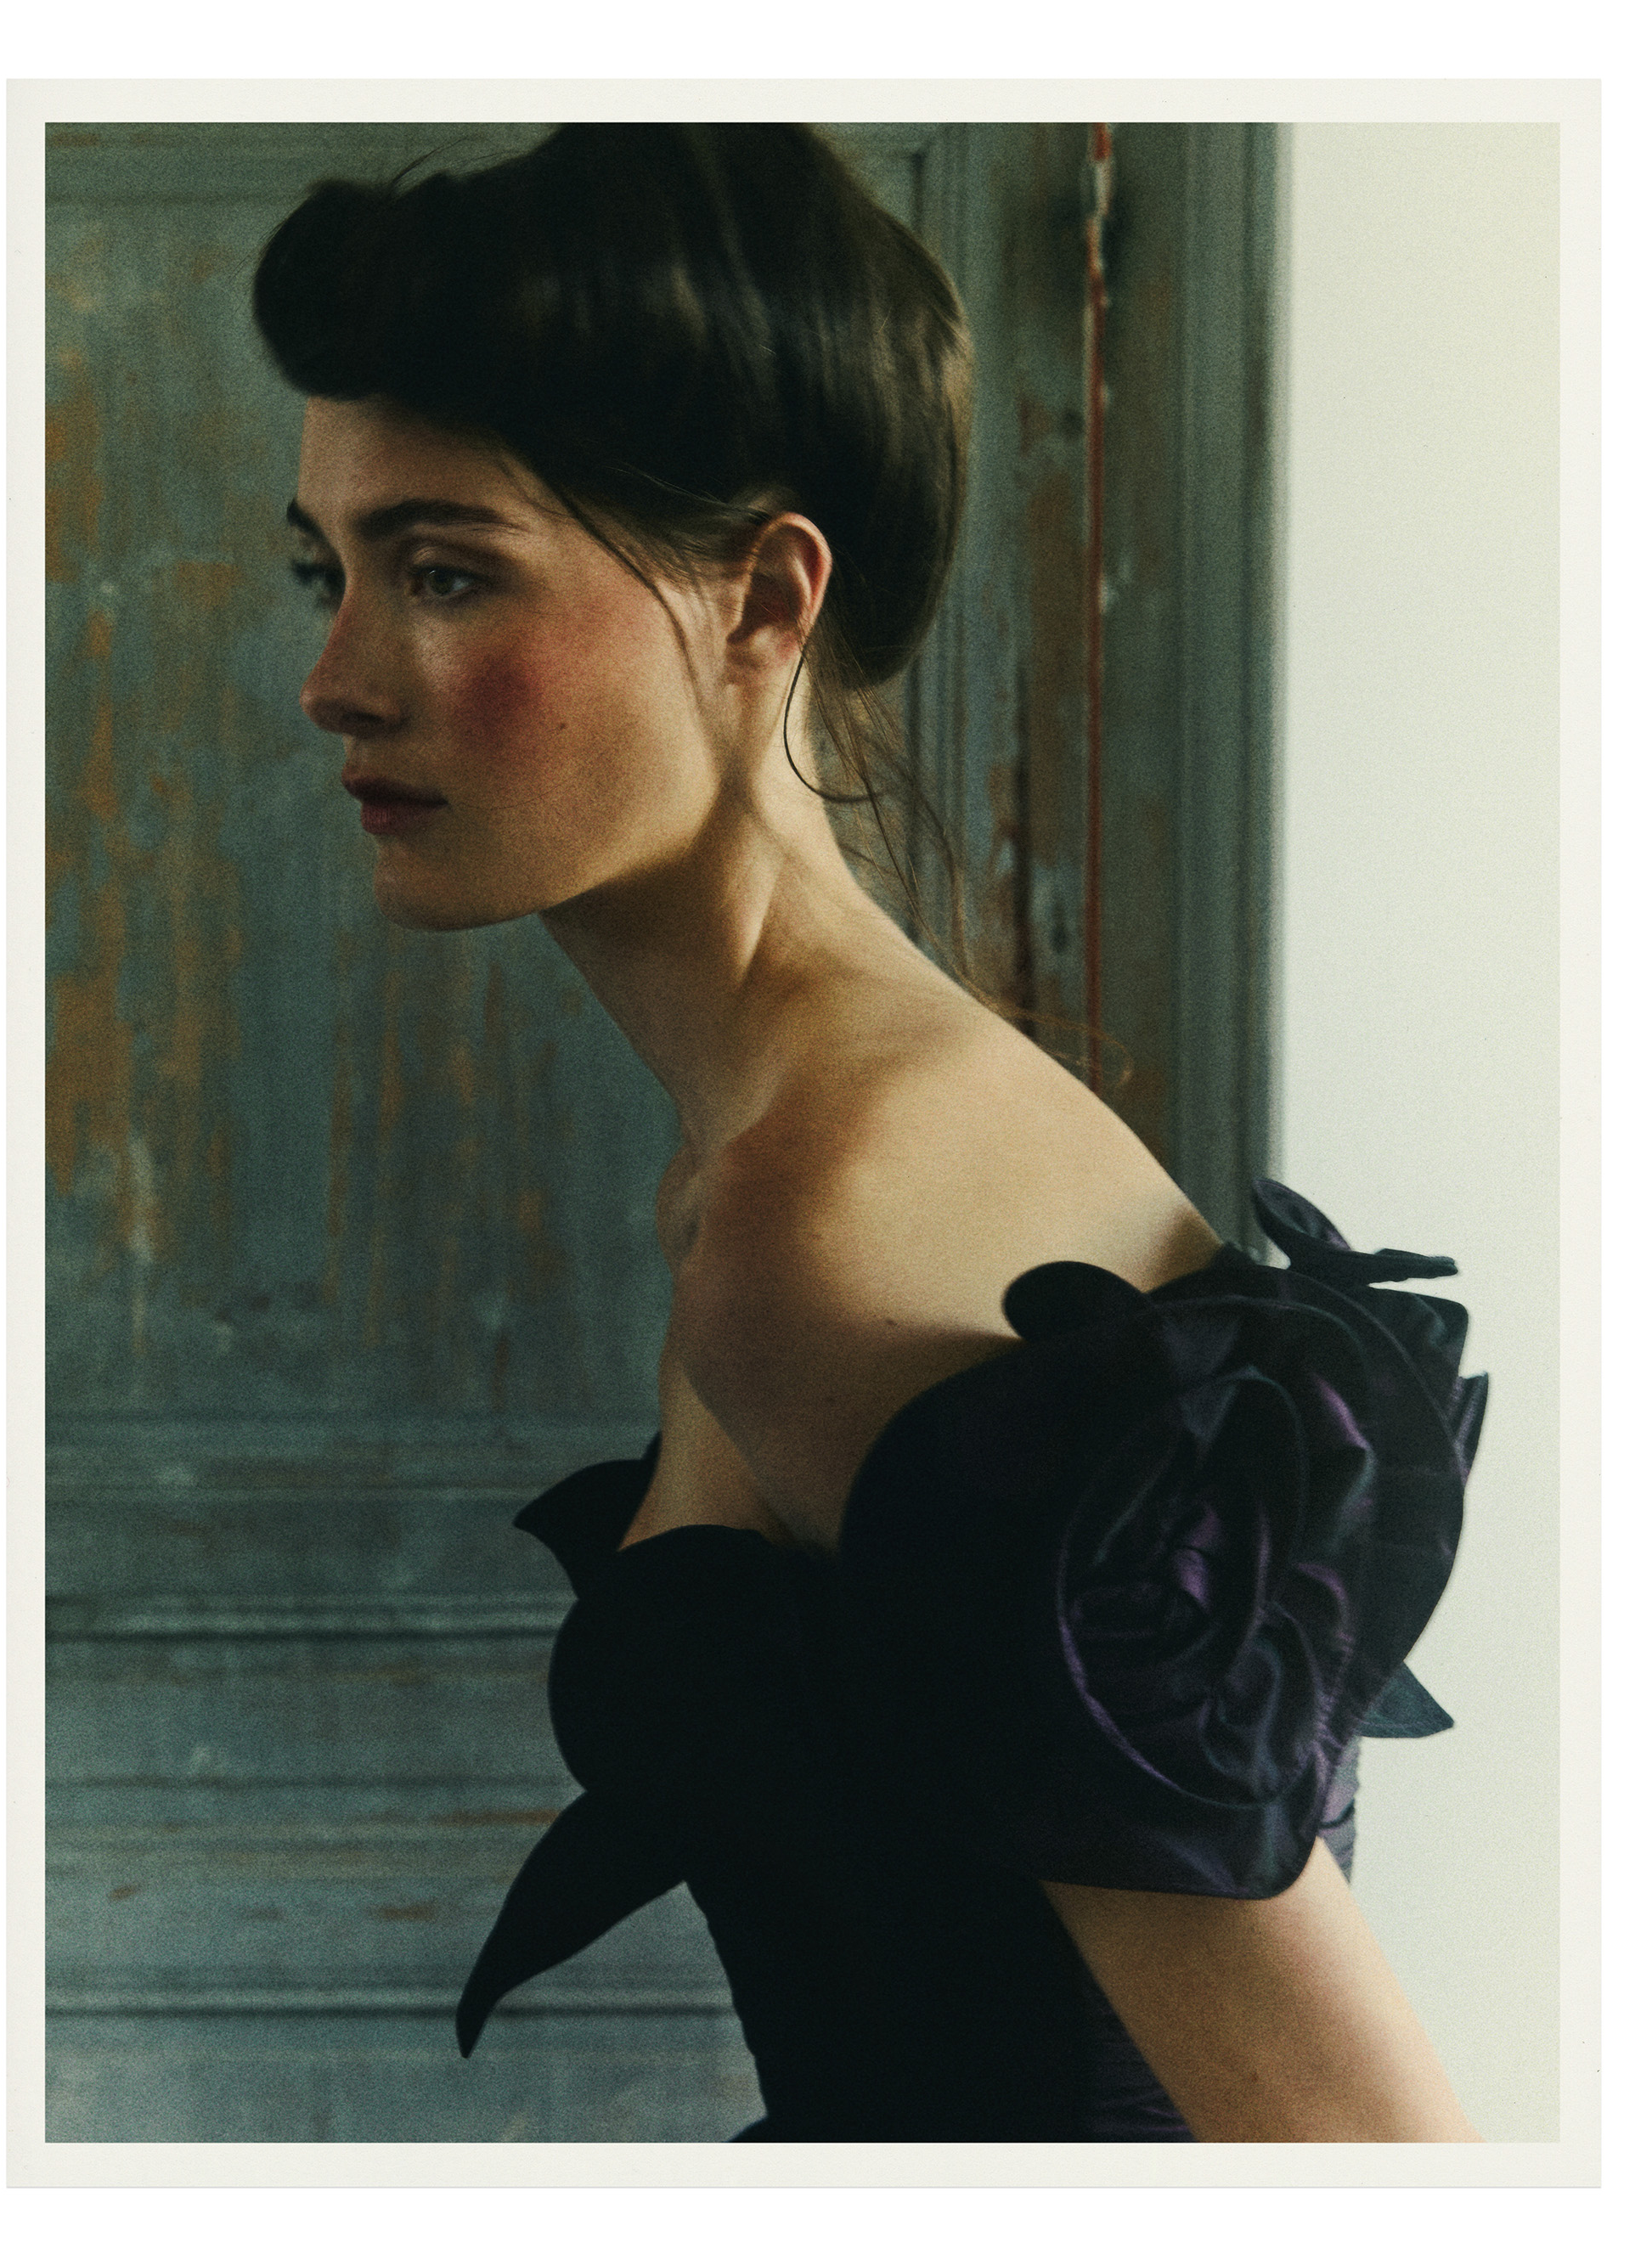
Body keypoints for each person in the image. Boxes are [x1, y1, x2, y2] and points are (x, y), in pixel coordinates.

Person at [253, 122, 1486, 2143]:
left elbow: (1362, 2155)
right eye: (332, 571)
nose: (334, 679)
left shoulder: (836, 1208)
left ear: (763, 595)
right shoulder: (793, 1143)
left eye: (448, 571)